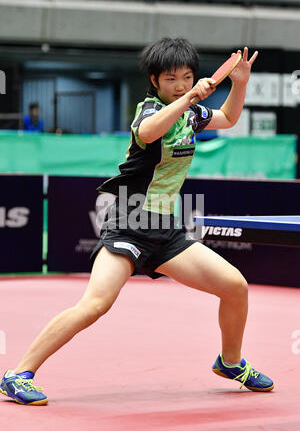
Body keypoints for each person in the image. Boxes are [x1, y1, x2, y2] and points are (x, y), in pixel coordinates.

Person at [0, 38, 274, 406]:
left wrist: (239, 84)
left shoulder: (192, 113)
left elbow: (227, 118)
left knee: (235, 287)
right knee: (95, 304)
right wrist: (189, 96)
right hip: (129, 222)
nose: (180, 84)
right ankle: (17, 374)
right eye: (172, 79)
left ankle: (230, 362)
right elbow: (149, 133)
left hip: (166, 230)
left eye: (187, 77)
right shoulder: (148, 110)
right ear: (155, 80)